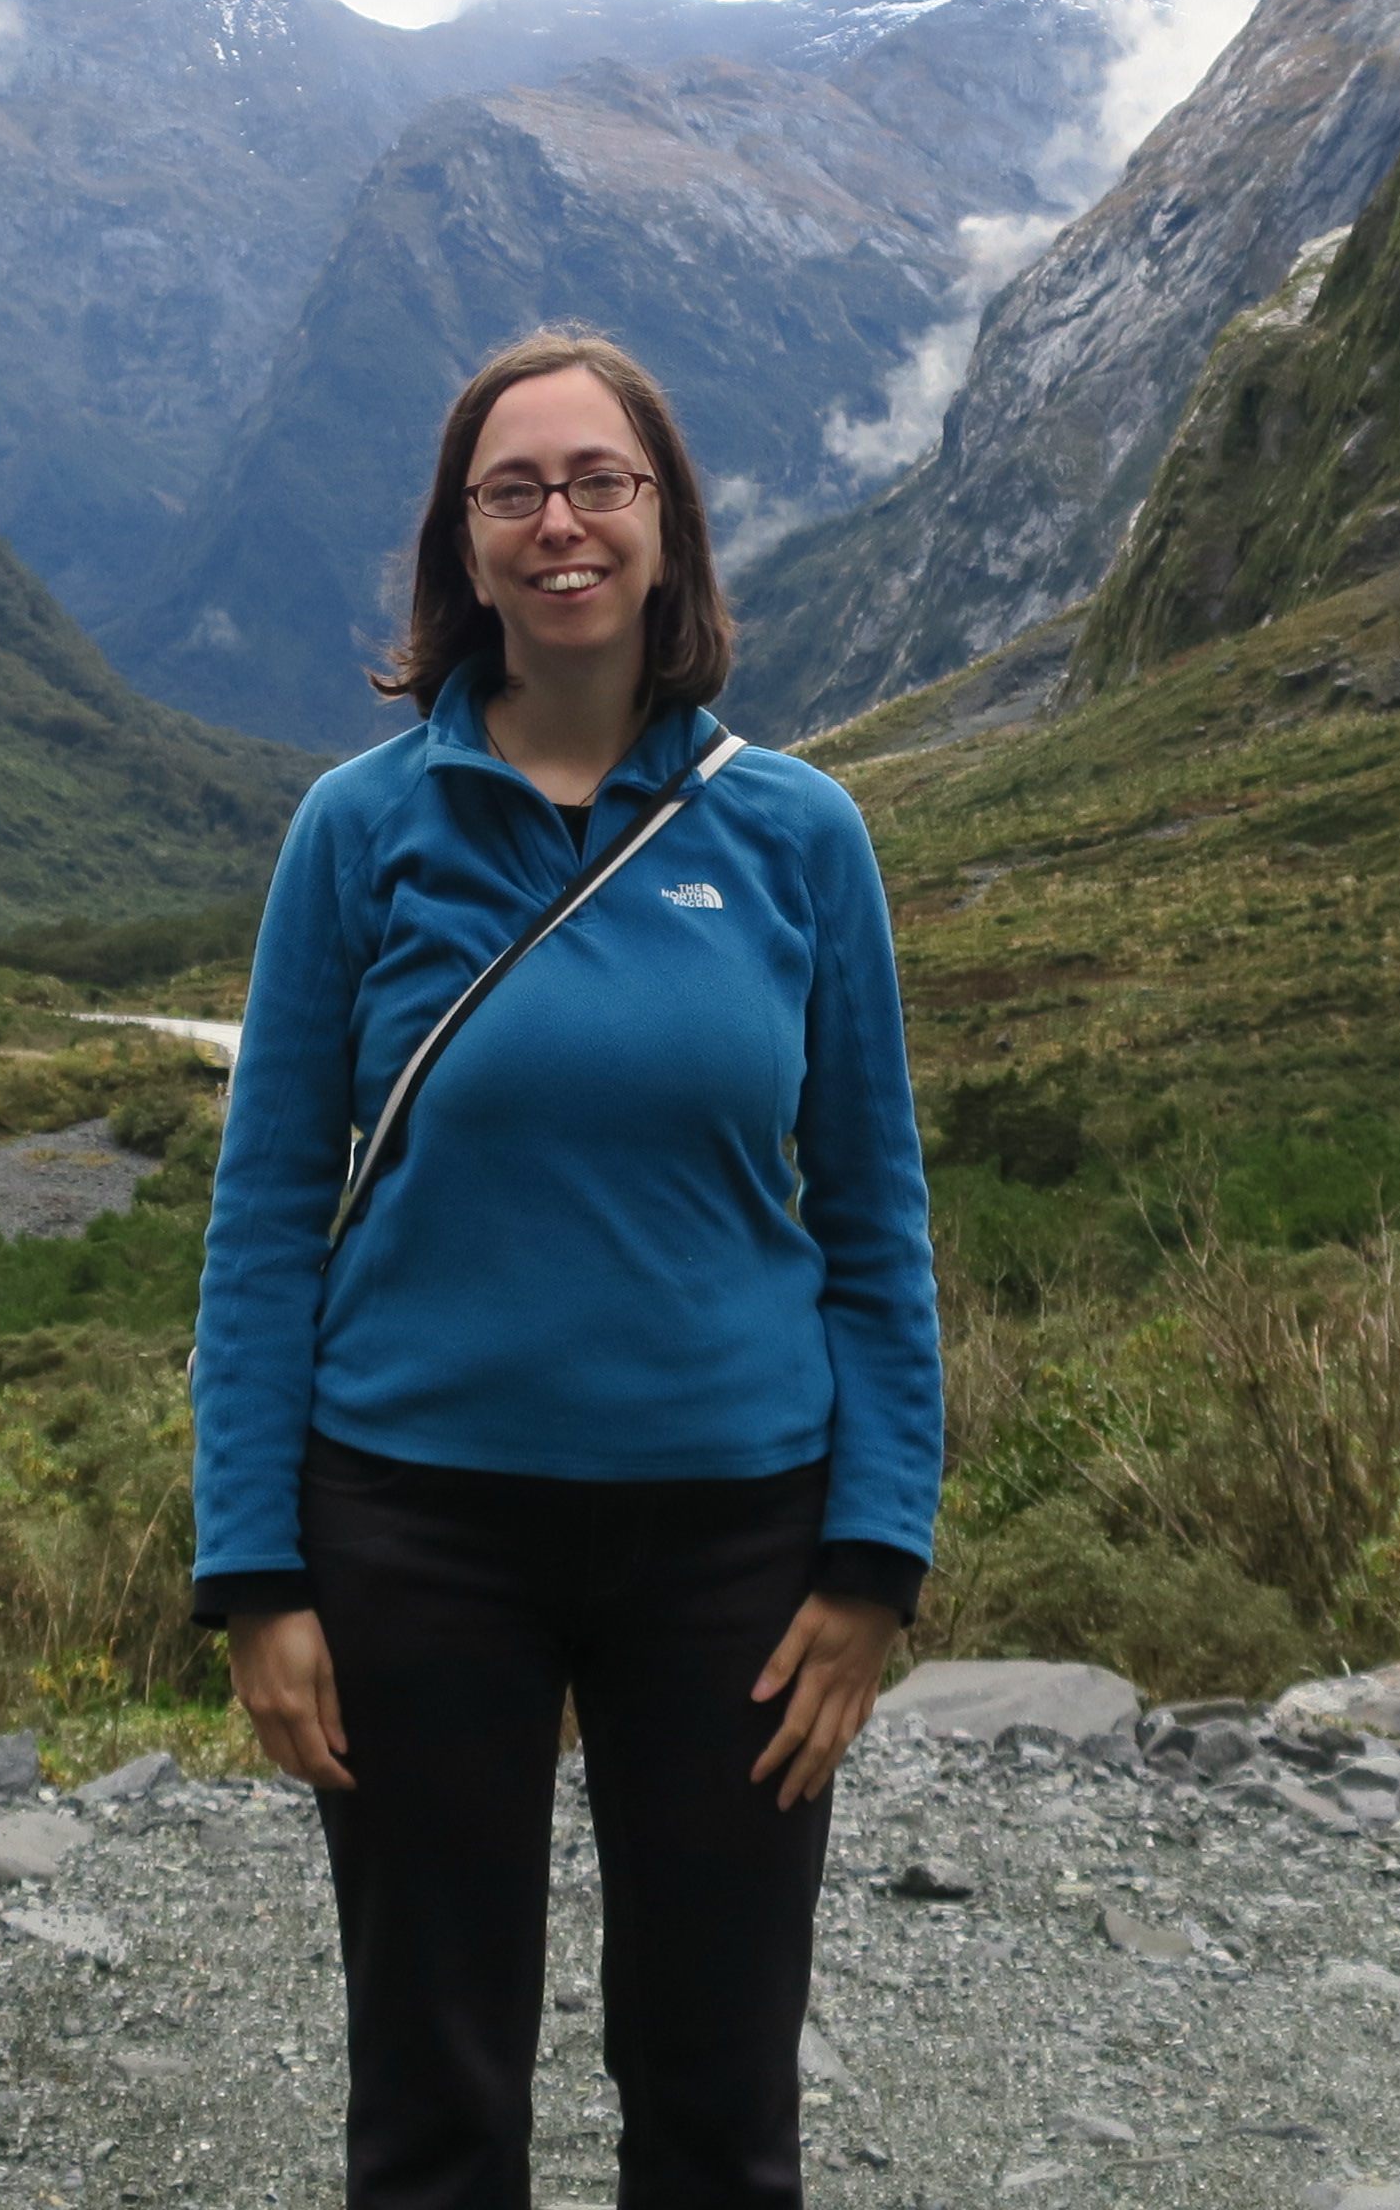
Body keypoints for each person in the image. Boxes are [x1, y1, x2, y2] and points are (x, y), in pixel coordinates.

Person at [189, 329, 940, 2210]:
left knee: (720, 2103)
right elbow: (266, 1216)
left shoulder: (800, 835)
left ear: (666, 522)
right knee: (434, 2106)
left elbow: (875, 1218)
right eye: (513, 491)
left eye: (601, 481)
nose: (561, 523)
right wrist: (255, 1576)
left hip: (737, 1544)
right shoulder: (359, 831)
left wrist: (873, 1561)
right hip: (416, 1530)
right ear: (464, 544)